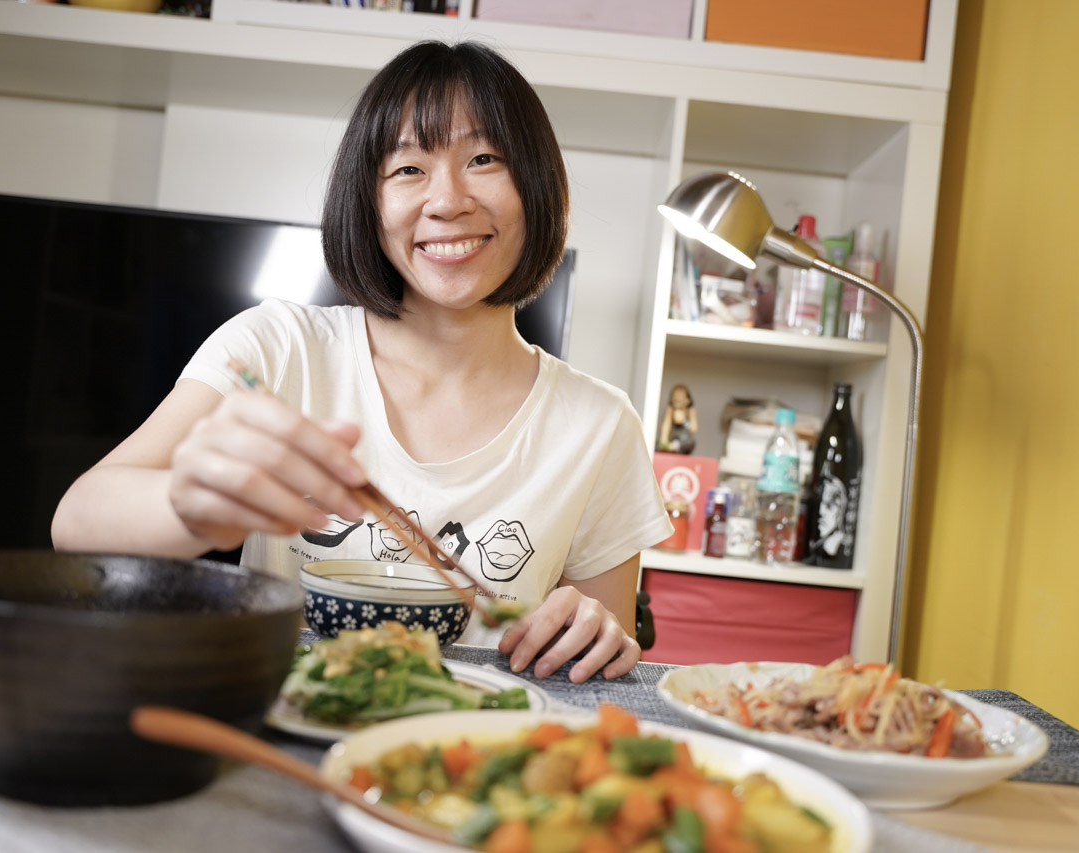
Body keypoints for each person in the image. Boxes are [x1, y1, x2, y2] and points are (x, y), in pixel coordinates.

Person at [51, 40, 672, 684]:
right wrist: (188, 506)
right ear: (367, 201)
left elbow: (602, 664)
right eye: (408, 169)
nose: (448, 199)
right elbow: (77, 522)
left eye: (484, 158)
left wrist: (602, 633)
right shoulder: (277, 348)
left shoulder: (599, 424)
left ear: (537, 185)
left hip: (474, 751)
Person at [657, 383, 698, 454]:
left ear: (687, 400)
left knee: (687, 443)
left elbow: (694, 428)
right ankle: (671, 447)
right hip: (673, 438)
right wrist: (663, 441)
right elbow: (666, 426)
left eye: (680, 397)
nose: (677, 399)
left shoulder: (690, 410)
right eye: (675, 397)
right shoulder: (670, 410)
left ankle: (675, 447)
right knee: (659, 445)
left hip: (685, 440)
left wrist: (684, 421)